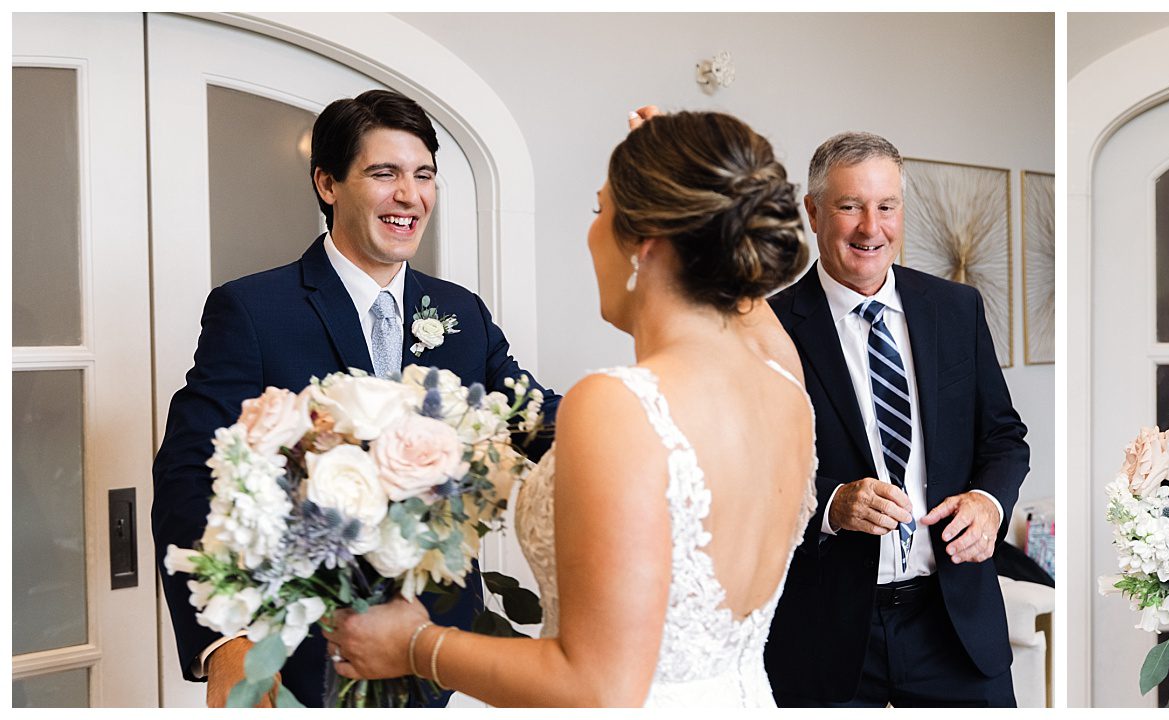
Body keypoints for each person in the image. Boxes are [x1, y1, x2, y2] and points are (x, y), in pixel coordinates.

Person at [327, 108, 817, 707]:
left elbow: (597, 689)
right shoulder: (785, 388)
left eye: (600, 210)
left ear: (644, 243)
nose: (592, 232)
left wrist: (415, 646)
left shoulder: (618, 405)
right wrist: (701, 194)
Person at [150, 89, 555, 708]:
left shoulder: (460, 313)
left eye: (423, 176)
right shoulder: (255, 310)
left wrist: (653, 402)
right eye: (384, 173)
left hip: (435, 648)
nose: (409, 196)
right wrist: (229, 642)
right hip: (301, 655)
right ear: (328, 183)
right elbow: (189, 473)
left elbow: (532, 418)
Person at [763, 131, 1029, 707]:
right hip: (825, 632)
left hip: (953, 621)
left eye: (886, 206)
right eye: (849, 206)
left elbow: (1004, 436)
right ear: (813, 212)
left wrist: (989, 500)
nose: (870, 228)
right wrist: (831, 507)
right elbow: (750, 476)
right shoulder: (767, 328)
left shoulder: (957, 309)